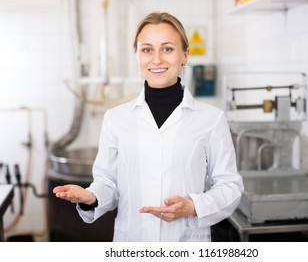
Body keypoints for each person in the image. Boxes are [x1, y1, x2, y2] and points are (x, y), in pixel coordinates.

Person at [53, 12, 243, 242]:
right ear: (137, 55)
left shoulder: (211, 119)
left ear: (185, 54)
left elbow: (230, 186)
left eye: (167, 49)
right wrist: (91, 196)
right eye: (147, 49)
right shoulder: (116, 118)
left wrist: (194, 207)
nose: (156, 60)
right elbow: (107, 183)